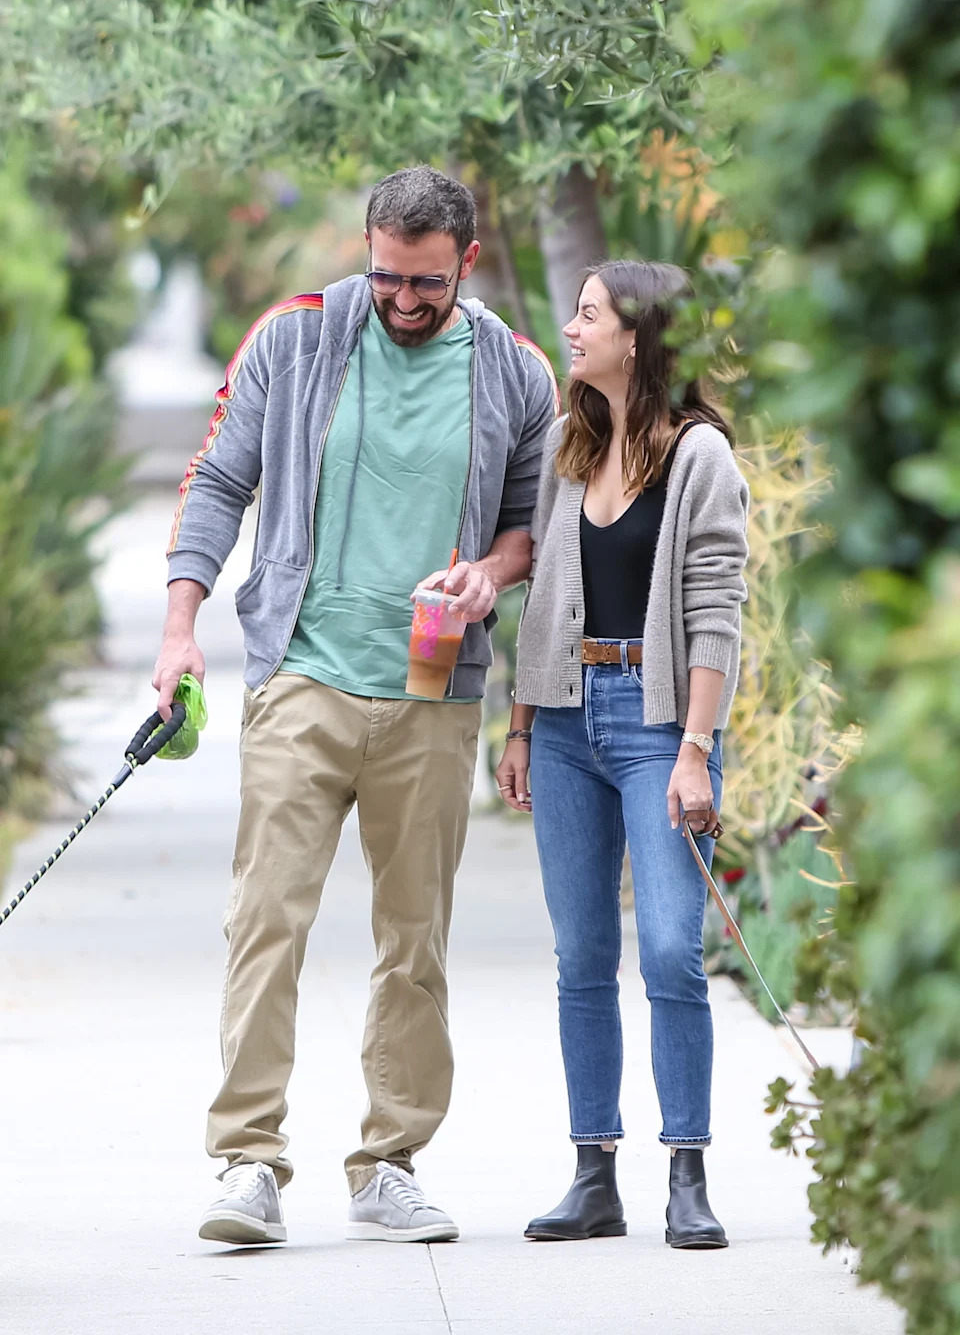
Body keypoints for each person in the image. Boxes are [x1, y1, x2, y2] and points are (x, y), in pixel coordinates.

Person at [153, 166, 559, 1245]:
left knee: (414, 941)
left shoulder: (516, 371)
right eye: (387, 276)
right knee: (265, 920)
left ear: (466, 263)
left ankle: (389, 1164)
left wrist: (490, 575)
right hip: (304, 676)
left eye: (427, 282)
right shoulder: (294, 337)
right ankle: (249, 1161)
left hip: (432, 693)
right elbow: (216, 479)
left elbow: (534, 522)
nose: (403, 300)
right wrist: (182, 626)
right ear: (368, 251)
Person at [496, 259, 749, 1246]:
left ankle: (687, 1172)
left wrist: (694, 749)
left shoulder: (700, 457)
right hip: (565, 724)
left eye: (590, 314)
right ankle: (593, 1174)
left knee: (672, 950)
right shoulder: (575, 442)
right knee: (583, 956)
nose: (571, 327)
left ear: (638, 337)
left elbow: (716, 613)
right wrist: (521, 728)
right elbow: (542, 605)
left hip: (657, 724)